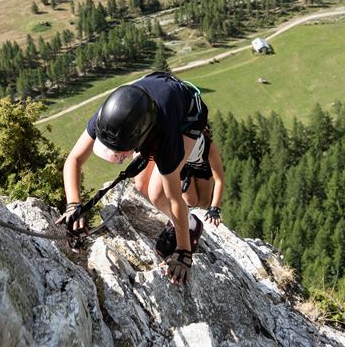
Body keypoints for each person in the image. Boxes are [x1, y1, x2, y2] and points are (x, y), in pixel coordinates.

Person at [63, 72, 225, 286]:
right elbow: (74, 159)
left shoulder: (166, 137)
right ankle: (184, 221)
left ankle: (190, 225)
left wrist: (184, 252)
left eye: (123, 151)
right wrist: (73, 203)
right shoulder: (108, 116)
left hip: (187, 116)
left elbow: (175, 197)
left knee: (158, 193)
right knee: (141, 184)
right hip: (150, 105)